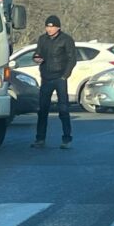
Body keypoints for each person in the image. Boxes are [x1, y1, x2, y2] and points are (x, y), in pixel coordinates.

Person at [31, 15, 77, 149]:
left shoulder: (66, 39)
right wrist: (36, 58)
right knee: (43, 109)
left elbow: (72, 59)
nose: (49, 29)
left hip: (60, 78)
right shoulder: (42, 39)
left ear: (58, 27)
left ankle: (67, 139)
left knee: (63, 109)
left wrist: (65, 76)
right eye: (47, 26)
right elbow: (37, 54)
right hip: (46, 78)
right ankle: (40, 139)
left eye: (52, 27)